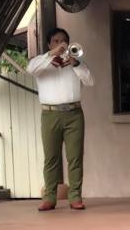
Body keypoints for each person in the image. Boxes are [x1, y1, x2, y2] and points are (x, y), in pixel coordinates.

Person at [26, 28, 94, 211]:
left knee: (75, 157)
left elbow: (89, 81)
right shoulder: (41, 63)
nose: (60, 44)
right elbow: (31, 69)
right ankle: (50, 197)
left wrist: (77, 64)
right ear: (49, 44)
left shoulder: (75, 62)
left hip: (74, 113)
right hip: (50, 114)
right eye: (56, 41)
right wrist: (50, 55)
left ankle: (75, 197)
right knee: (51, 158)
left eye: (63, 40)